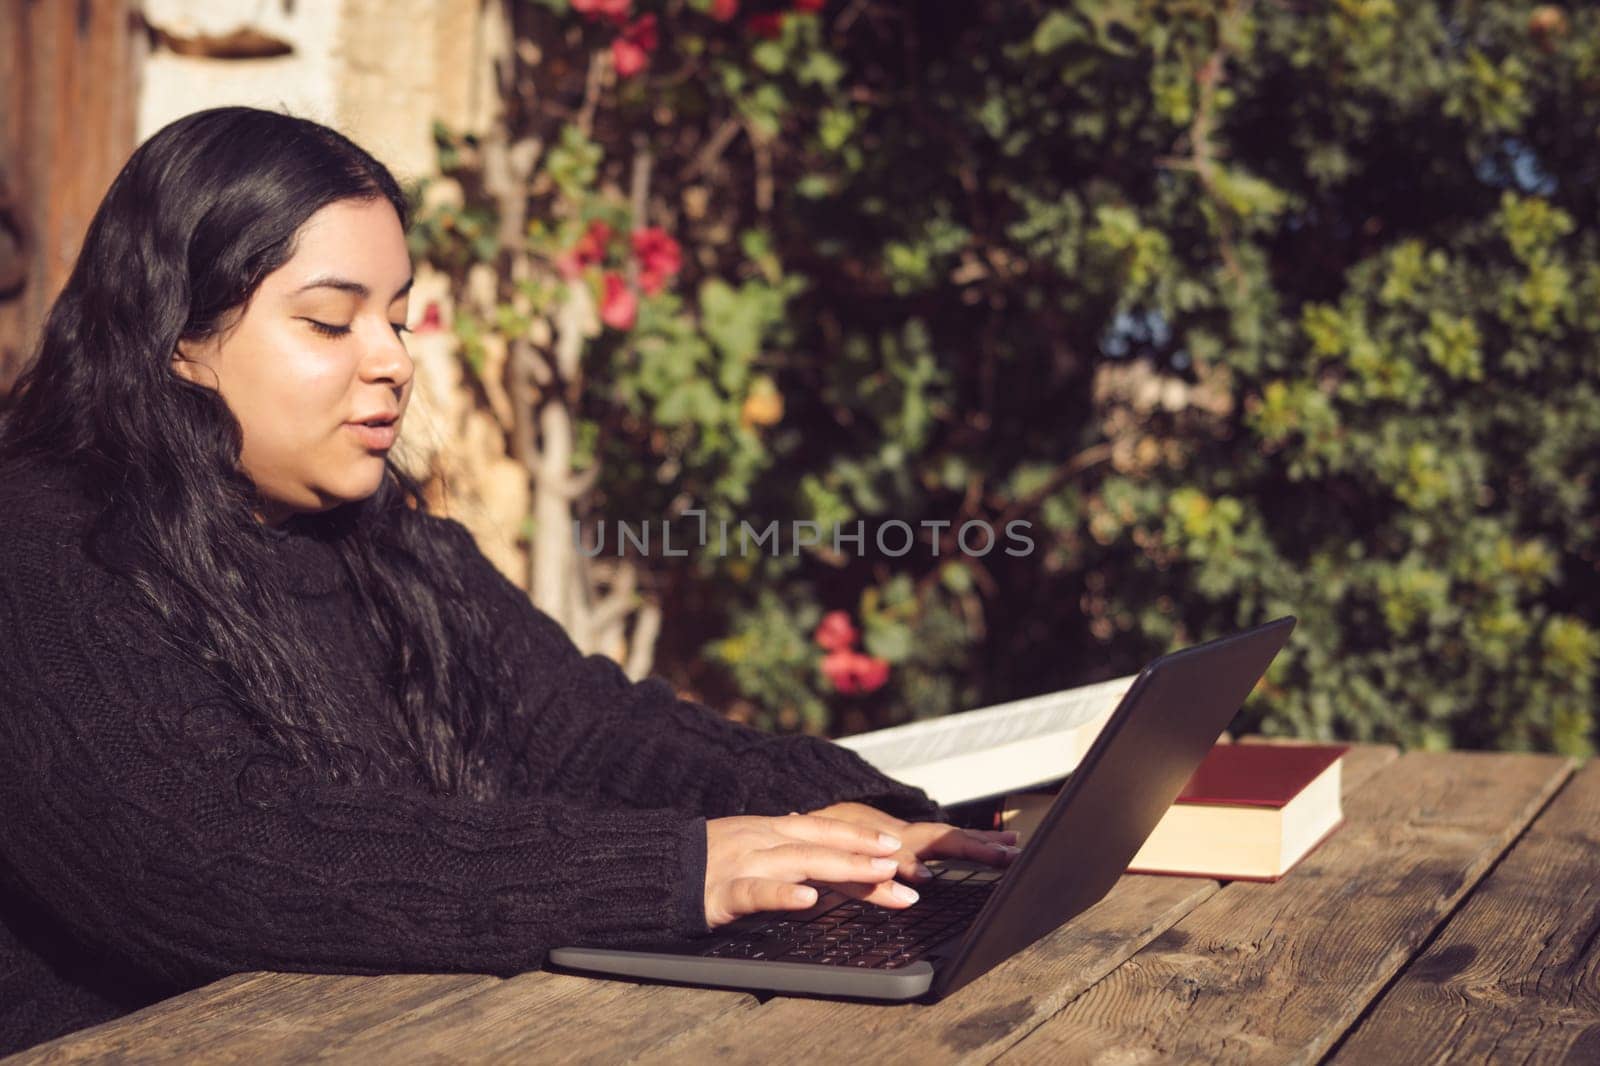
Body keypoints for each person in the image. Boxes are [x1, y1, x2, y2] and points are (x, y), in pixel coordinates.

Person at [0, 107, 1018, 1055]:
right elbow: (216, 856)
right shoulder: (44, 553)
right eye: (329, 320)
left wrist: (854, 815)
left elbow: (582, 728)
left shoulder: (386, 543)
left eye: (397, 316)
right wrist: (677, 869)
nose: (392, 360)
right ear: (176, 337)